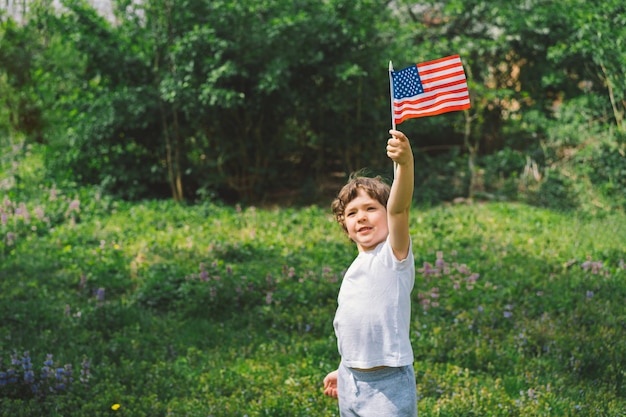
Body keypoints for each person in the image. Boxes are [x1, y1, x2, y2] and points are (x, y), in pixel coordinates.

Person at [323, 129, 418, 416]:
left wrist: (405, 164)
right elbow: (352, 327)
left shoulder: (393, 256)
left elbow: (399, 209)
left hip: (388, 386)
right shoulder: (354, 270)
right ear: (346, 227)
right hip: (352, 381)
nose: (361, 216)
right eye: (352, 213)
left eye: (370, 208)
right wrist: (344, 368)